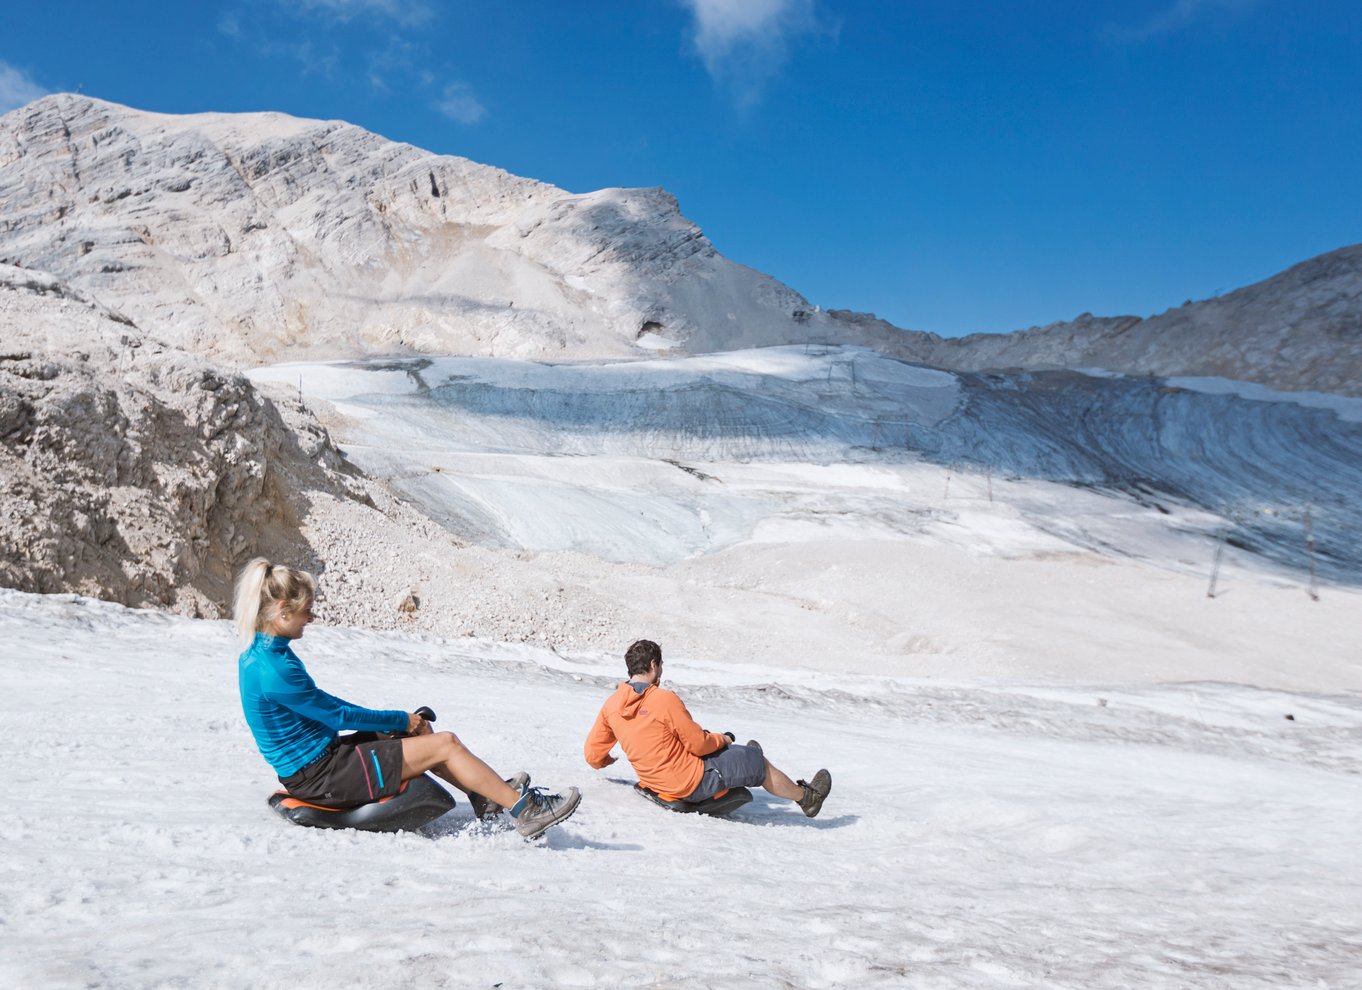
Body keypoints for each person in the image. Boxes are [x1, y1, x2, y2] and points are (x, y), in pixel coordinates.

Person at [234, 558, 579, 839]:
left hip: (321, 762)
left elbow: (325, 712)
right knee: (446, 743)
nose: (311, 617)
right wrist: (399, 719)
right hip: (323, 774)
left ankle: (484, 795)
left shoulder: (262, 655)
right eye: (306, 610)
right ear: (282, 610)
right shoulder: (273, 669)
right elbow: (337, 715)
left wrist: (403, 724)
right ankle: (527, 812)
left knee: (418, 732)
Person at [583, 639, 831, 817]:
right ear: (654, 664)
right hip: (689, 782)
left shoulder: (612, 704)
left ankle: (741, 757)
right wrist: (723, 739)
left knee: (728, 751)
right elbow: (699, 745)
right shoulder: (662, 699)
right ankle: (807, 799)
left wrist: (606, 761)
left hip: (655, 780)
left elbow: (593, 756)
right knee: (757, 761)